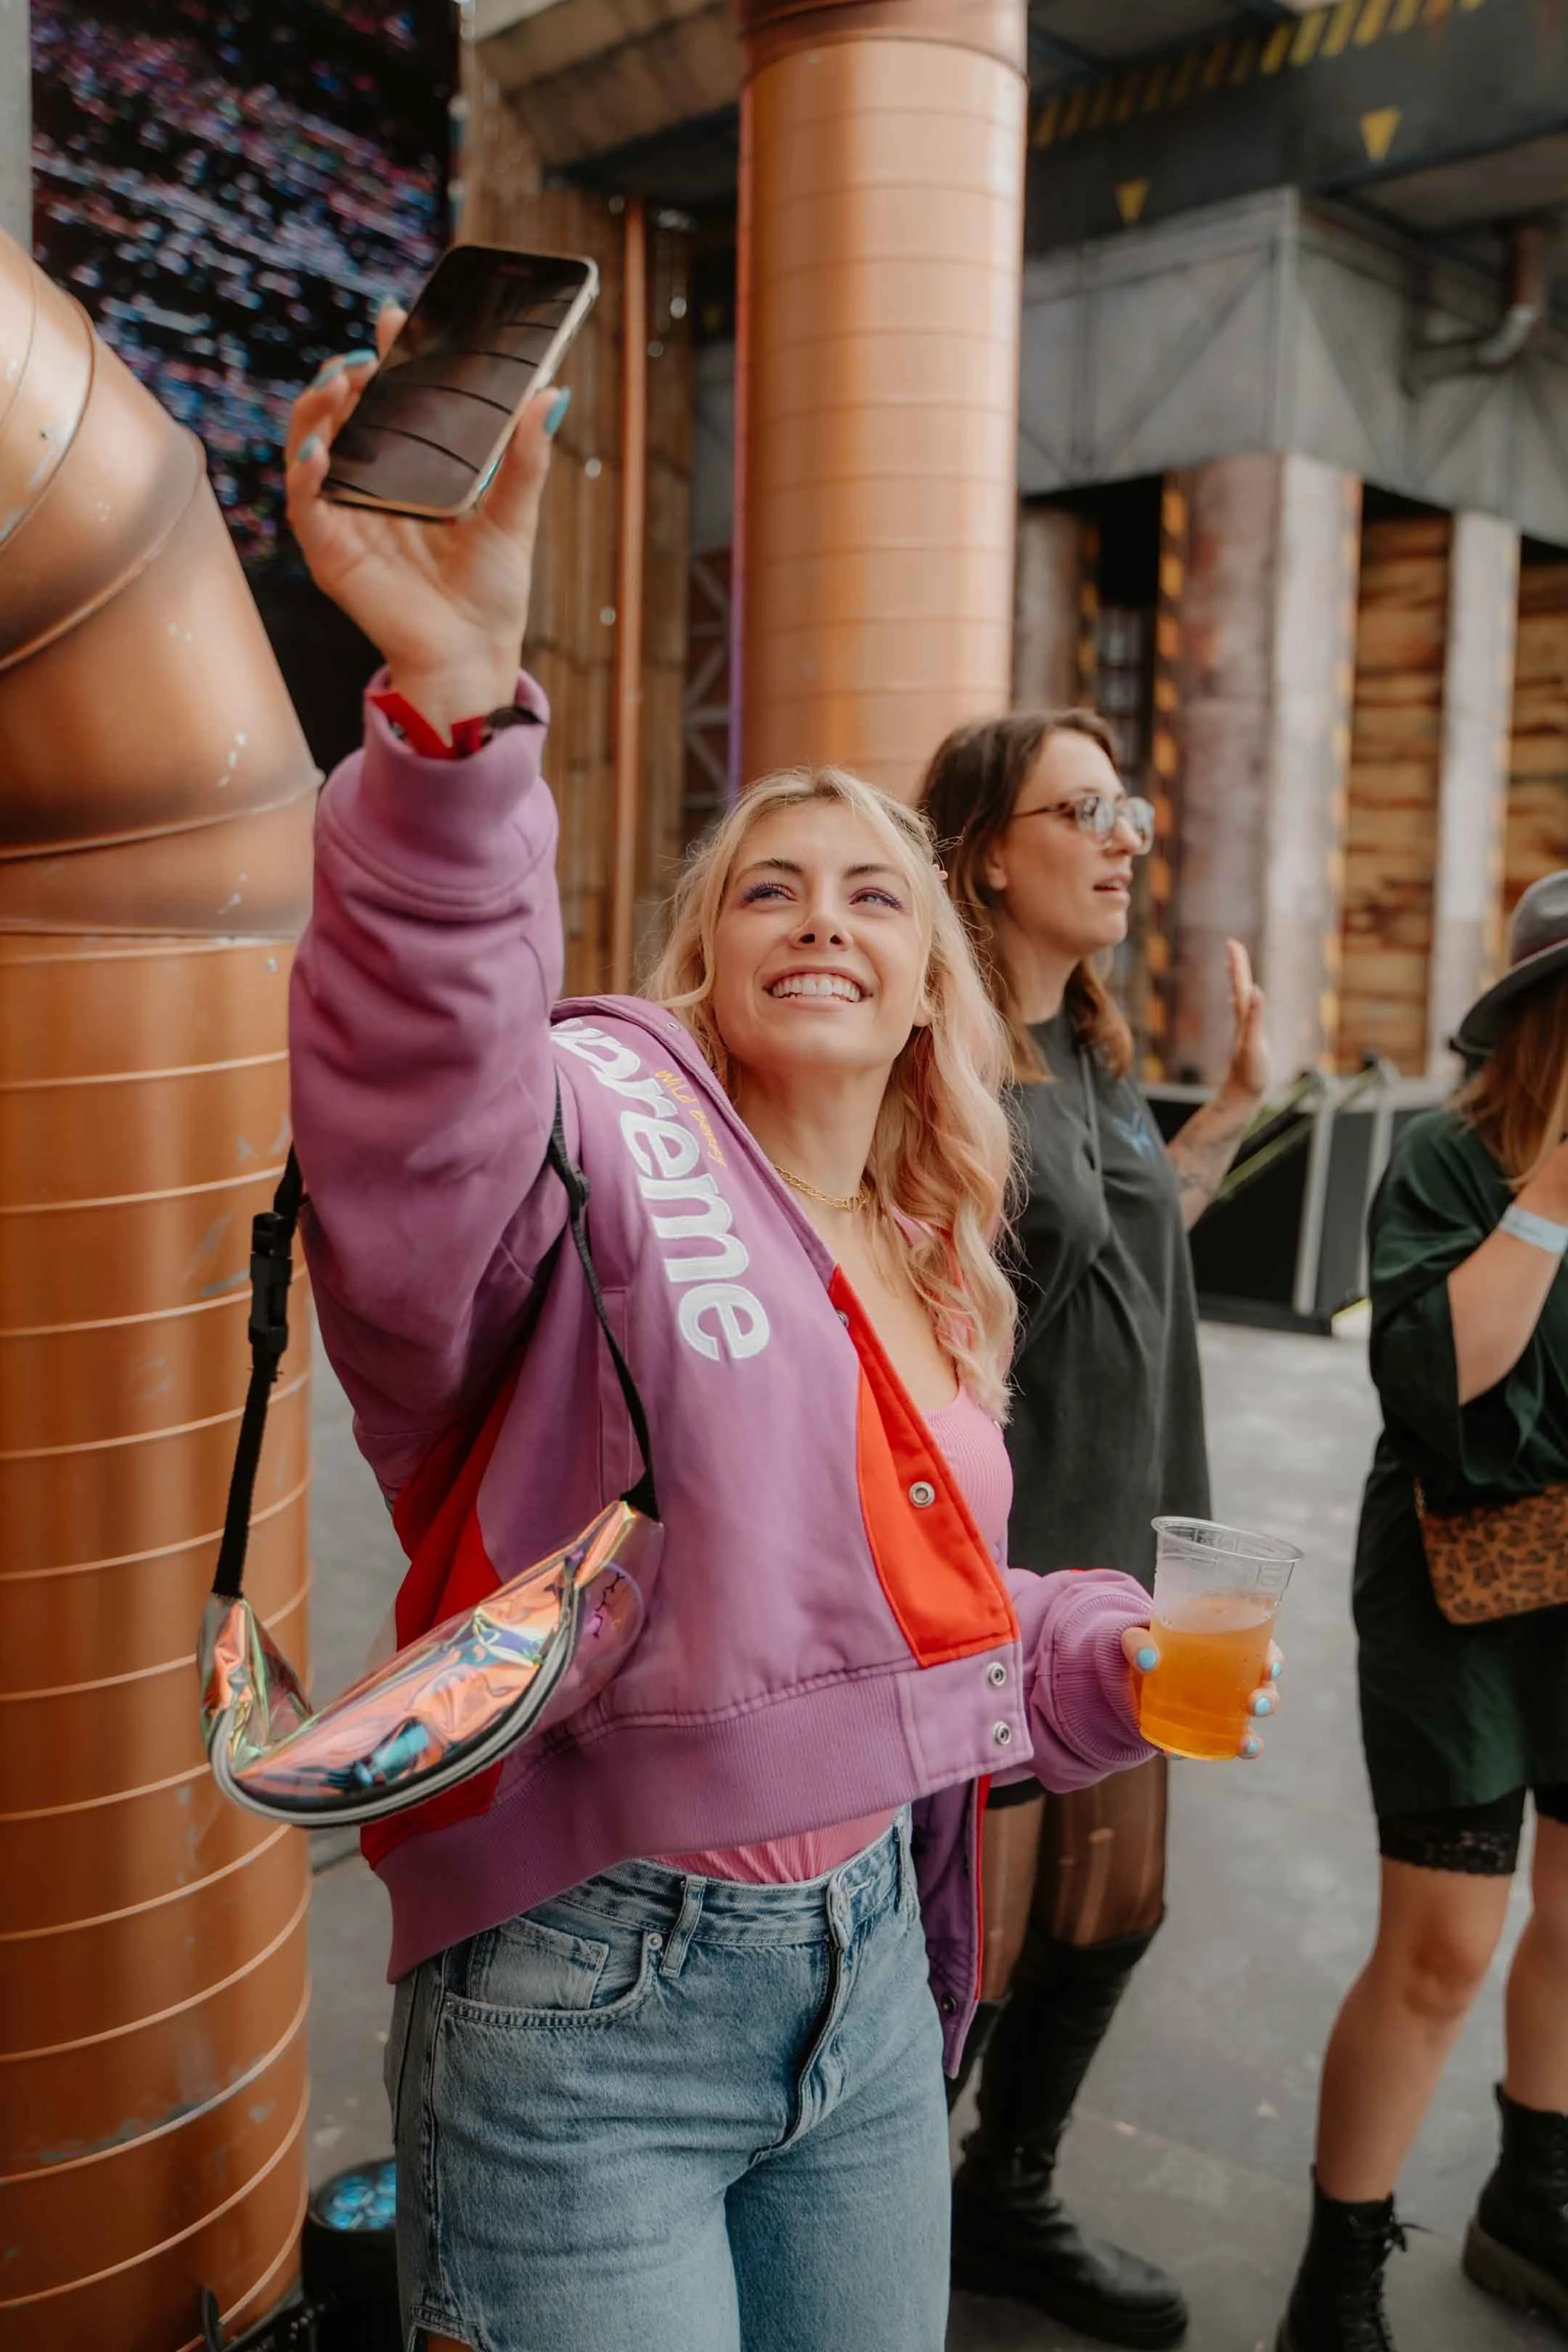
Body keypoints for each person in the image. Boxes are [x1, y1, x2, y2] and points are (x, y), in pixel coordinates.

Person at [278, 319, 1265, 2352]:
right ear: (707, 967)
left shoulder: (933, 1246)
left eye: (874, 898)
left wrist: (1087, 1648)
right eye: (767, 892)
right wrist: (460, 713)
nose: (823, 914)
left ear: (929, 992)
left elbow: (904, 1594)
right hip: (585, 1992)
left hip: (877, 1982)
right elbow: (417, 1111)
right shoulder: (588, 1134)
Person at [921, 710, 1275, 2348]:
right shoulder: (943, 1059)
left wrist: (1219, 1133)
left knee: (1117, 1908)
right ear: (991, 849)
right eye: (1088, 809)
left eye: (1129, 806)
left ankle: (1009, 2200)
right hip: (1014, 1571)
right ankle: (877, 2216)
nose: (1128, 835)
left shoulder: (1091, 1055)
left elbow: (1117, 1245)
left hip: (1155, 1543)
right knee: (968, 1952)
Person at [1277, 871, 1568, 2352]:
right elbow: (1441, 1376)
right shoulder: (1448, 1165)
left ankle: (1535, 2200)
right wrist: (1559, 1195)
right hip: (1463, 1592)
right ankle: (1337, 2283)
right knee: (1444, 1945)